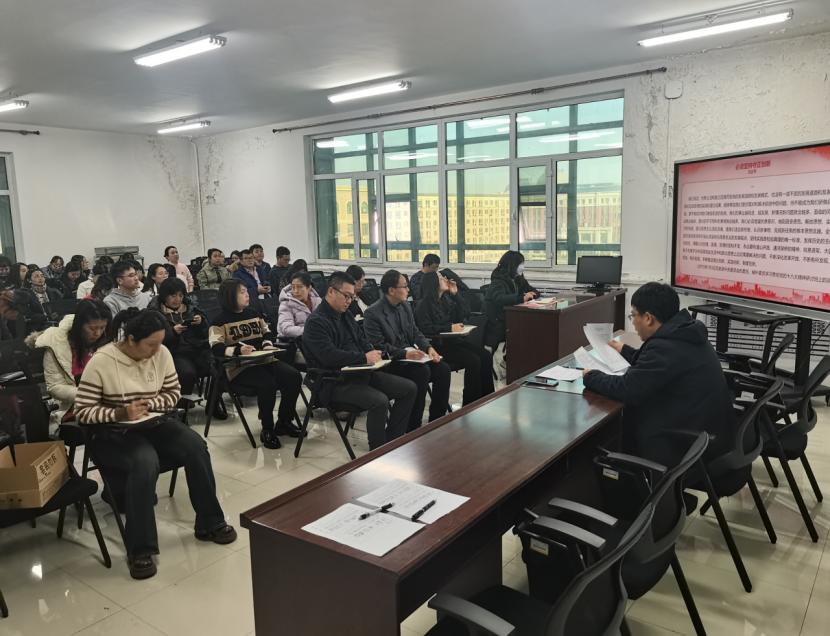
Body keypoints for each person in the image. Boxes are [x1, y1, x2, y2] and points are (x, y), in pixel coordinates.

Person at [75, 308, 237, 579]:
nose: (156, 350)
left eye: (160, 343)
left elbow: (173, 393)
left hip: (152, 422)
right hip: (114, 433)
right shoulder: (102, 361)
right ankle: (140, 549)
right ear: (130, 340)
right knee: (145, 461)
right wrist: (119, 413)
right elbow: (83, 412)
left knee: (196, 447)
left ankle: (210, 522)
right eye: (151, 344)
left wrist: (149, 404)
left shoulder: (161, 354)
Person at [583, 283, 735, 467]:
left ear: (648, 318)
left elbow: (628, 389)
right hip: (707, 434)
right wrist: (625, 350)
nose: (633, 322)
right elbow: (657, 366)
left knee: (620, 424)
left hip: (685, 447)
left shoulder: (664, 347)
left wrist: (591, 376)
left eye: (633, 315)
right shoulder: (686, 332)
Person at [303, 272, 418, 450]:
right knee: (379, 401)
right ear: (331, 292)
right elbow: (328, 356)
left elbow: (362, 340)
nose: (349, 301)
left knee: (409, 388)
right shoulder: (316, 322)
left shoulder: (346, 315)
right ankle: (378, 451)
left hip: (361, 373)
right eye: (346, 296)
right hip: (334, 381)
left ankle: (393, 442)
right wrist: (364, 357)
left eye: (352, 297)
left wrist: (372, 352)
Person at [208, 279, 302, 448]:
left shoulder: (253, 313)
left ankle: (284, 421)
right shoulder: (218, 321)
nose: (247, 295)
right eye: (242, 292)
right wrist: (237, 350)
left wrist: (267, 344)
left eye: (246, 291)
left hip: (264, 359)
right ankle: (267, 429)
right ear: (230, 296)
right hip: (239, 367)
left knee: (293, 376)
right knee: (267, 383)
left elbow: (267, 332)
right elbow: (216, 348)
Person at [364, 270, 451, 433]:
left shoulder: (405, 306)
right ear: (392, 290)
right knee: (422, 372)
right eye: (404, 286)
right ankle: (413, 427)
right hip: (392, 362)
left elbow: (415, 332)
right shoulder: (373, 313)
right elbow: (379, 346)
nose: (408, 290)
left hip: (411, 357)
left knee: (443, 369)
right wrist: (404, 354)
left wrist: (428, 348)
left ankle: (437, 420)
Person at [415, 271, 494, 405]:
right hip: (438, 346)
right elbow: (425, 329)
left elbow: (465, 313)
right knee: (473, 360)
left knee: (485, 356)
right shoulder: (423, 305)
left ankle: (487, 398)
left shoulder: (446, 299)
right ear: (433, 283)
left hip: (453, 342)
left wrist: (456, 294)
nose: (445, 279)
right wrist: (449, 328)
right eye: (441, 277)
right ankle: (470, 403)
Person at [35, 299, 111, 421]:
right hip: (73, 406)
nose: (98, 333)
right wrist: (88, 395)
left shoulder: (107, 340)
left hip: (107, 402)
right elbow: (55, 386)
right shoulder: (56, 344)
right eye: (92, 328)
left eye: (102, 327)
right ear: (80, 325)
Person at [149, 277, 215, 400]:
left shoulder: (191, 308)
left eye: (180, 295)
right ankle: (181, 401)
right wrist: (173, 332)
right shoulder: (155, 313)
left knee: (218, 367)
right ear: (164, 296)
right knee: (186, 373)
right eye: (173, 296)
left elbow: (207, 333)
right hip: (174, 352)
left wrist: (201, 323)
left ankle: (213, 402)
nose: (177, 299)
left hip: (197, 349)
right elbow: (153, 340)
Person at [484, 250, 538, 349]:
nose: (523, 267)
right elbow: (499, 298)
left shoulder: (518, 279)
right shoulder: (498, 280)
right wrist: (521, 298)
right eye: (520, 264)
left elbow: (533, 290)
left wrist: (531, 295)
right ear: (512, 265)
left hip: (513, 318)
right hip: (499, 323)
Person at [277, 272, 321, 339]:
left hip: (317, 339)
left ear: (309, 288)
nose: (296, 291)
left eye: (299, 287)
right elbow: (286, 329)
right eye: (293, 287)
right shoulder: (286, 303)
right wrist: (312, 331)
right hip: (294, 341)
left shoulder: (318, 301)